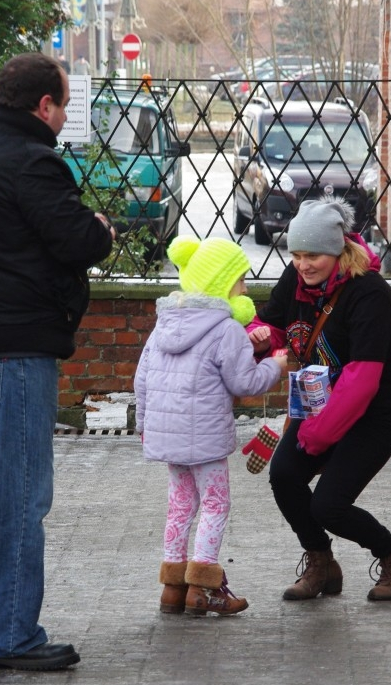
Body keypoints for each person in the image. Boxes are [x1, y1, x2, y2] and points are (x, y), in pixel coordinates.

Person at [0, 52, 116, 671]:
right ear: (44, 107)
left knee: (7, 479)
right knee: (23, 493)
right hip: (12, 350)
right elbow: (78, 241)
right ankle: (7, 633)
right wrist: (102, 228)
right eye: (62, 104)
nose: (63, 117)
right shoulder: (34, 160)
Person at [246, 196, 391, 602]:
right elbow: (271, 322)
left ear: (339, 249)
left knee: (329, 505)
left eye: (314, 255)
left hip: (376, 413)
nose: (304, 265)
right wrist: (261, 338)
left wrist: (318, 436)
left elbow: (362, 379)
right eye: (297, 254)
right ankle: (321, 562)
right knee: (284, 477)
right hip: (318, 403)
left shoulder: (370, 295)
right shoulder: (296, 279)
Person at [135, 236, 288, 616]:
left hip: (167, 437)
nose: (246, 288)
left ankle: (172, 587)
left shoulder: (164, 325)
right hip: (205, 441)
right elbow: (245, 383)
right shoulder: (225, 330)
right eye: (241, 281)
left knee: (180, 506)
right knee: (216, 504)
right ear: (222, 285)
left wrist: (144, 426)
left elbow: (142, 381)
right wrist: (276, 366)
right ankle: (203, 588)